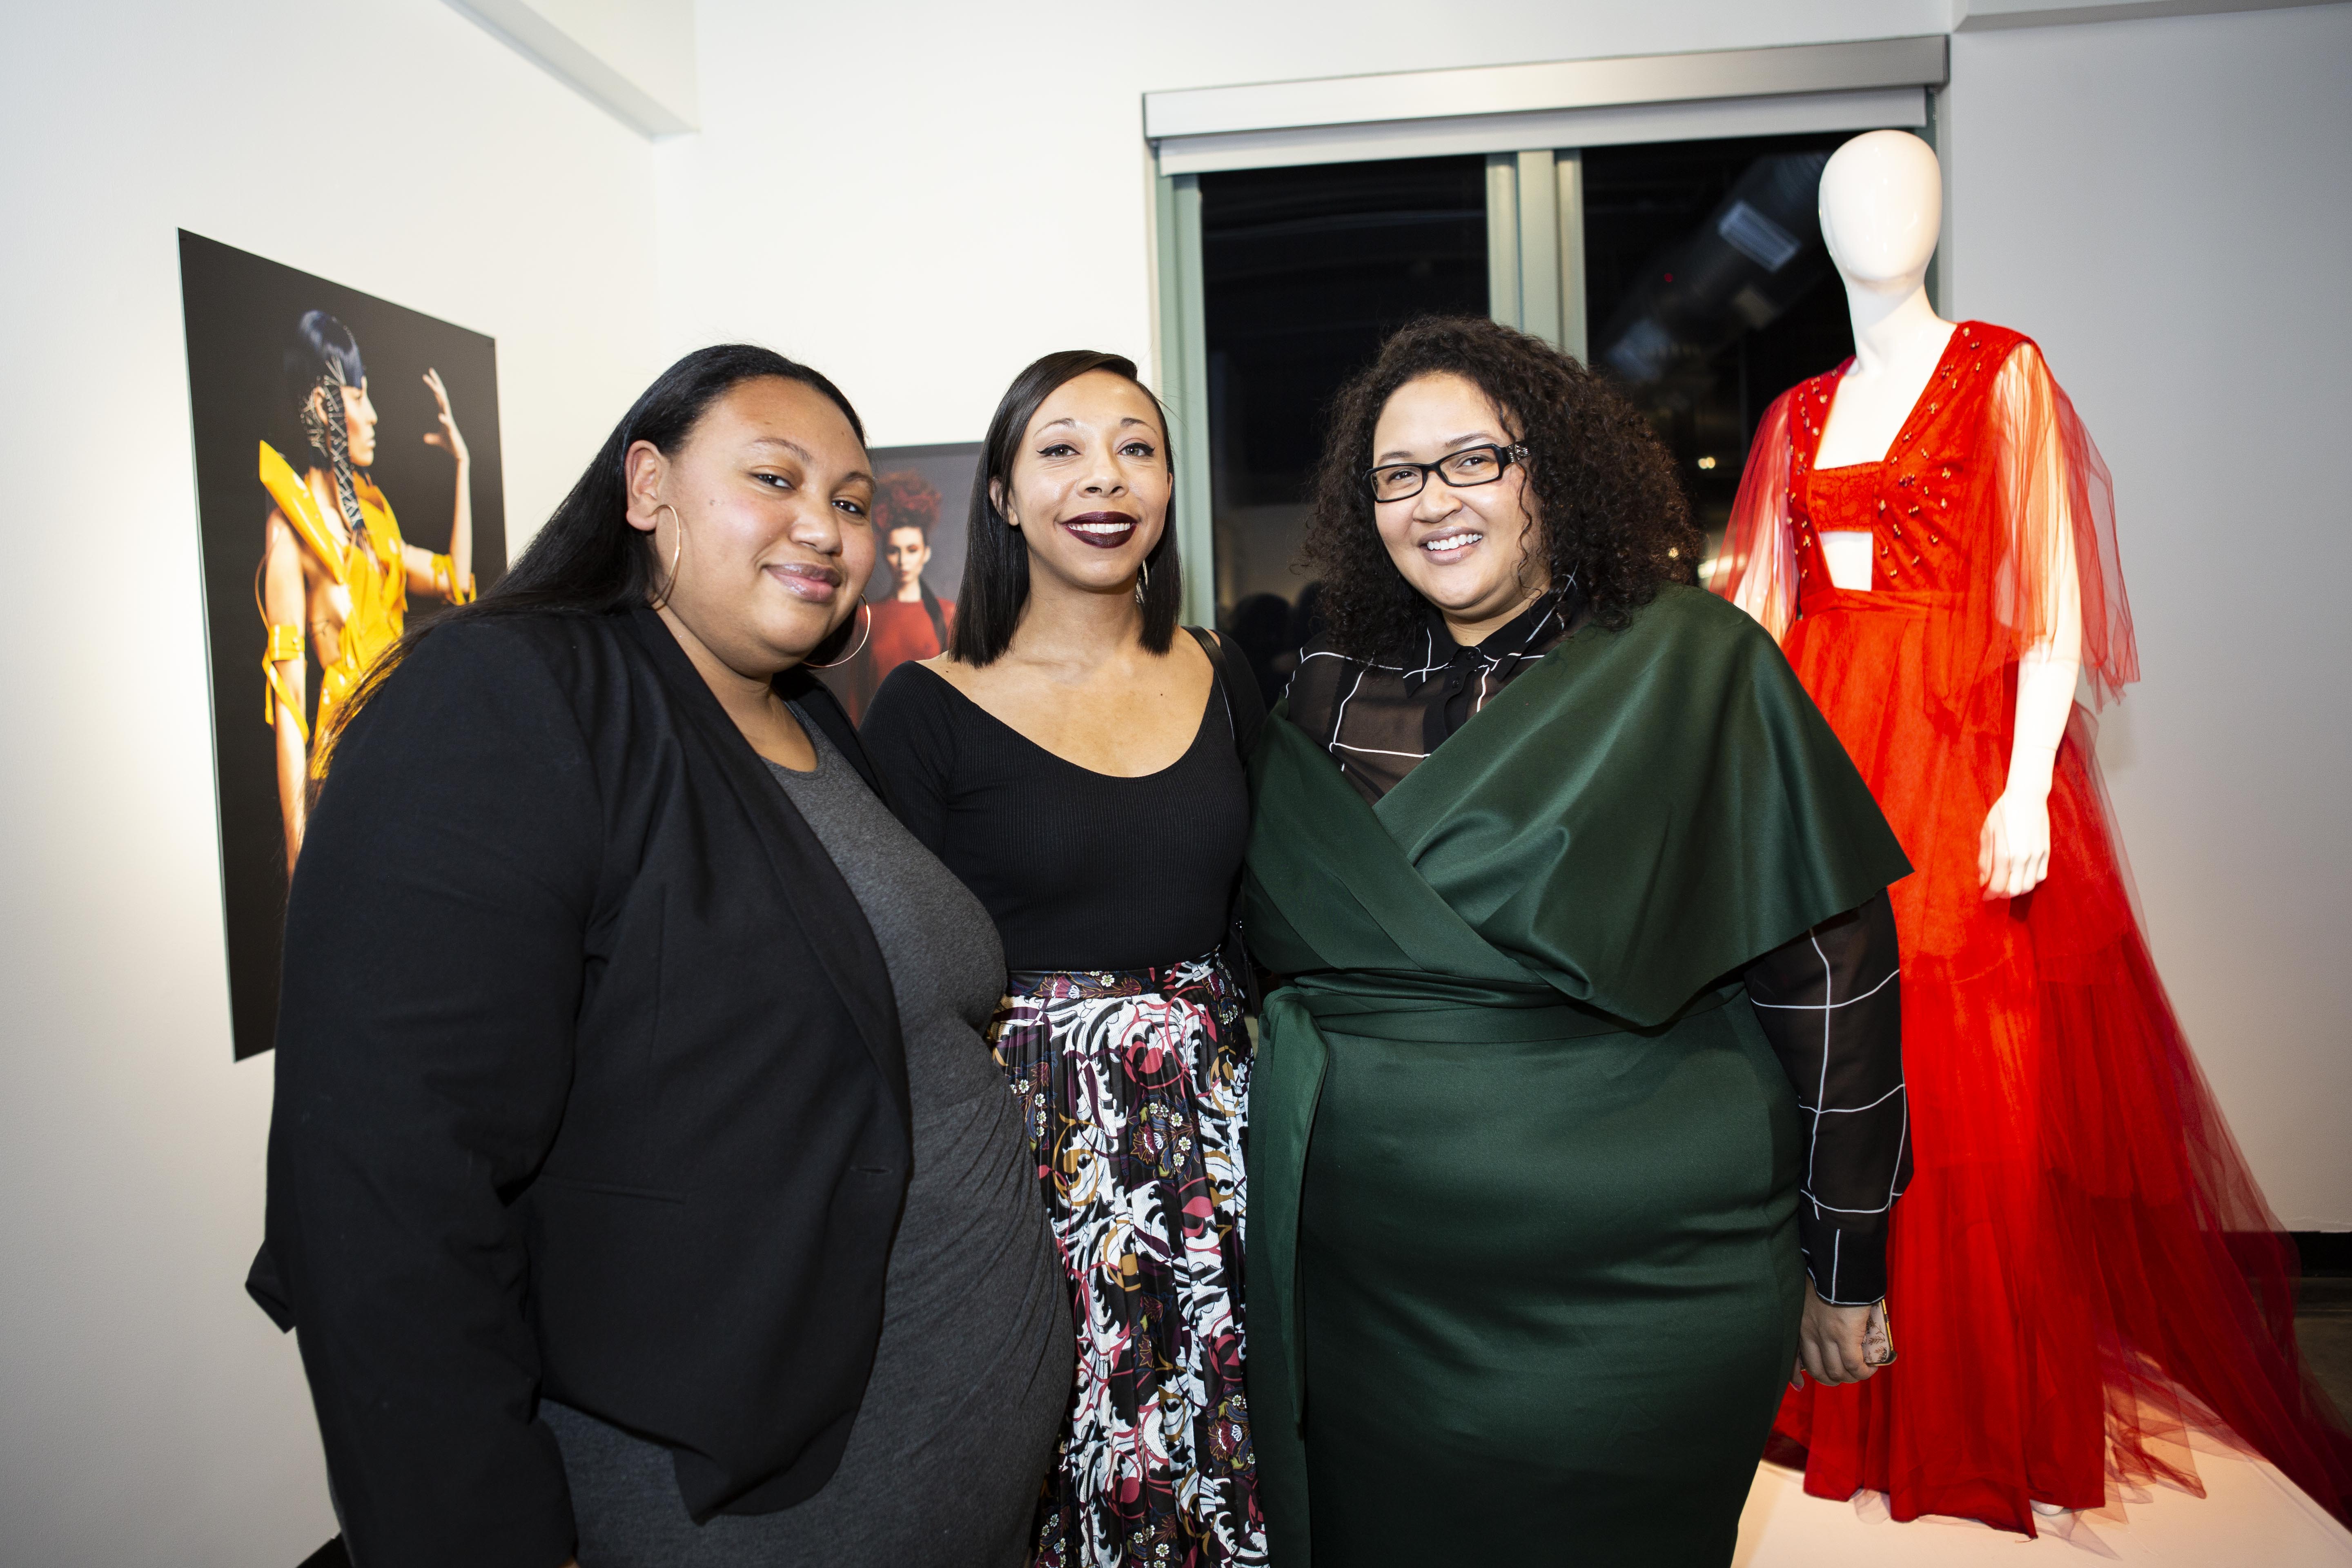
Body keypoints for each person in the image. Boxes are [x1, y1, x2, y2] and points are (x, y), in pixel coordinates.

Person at [247, 345, 1071, 1568]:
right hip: (748, 1515)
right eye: (775, 479)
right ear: (646, 487)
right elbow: (383, 1187)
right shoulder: (508, 696)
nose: (825, 527)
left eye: (851, 502)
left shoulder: (805, 716)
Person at [1715, 129, 2352, 1532]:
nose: (1877, 219)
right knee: (1824, 1051)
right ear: (1822, 231)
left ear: (1940, 213)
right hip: (1826, 749)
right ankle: (1840, 1379)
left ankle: (1966, 1400)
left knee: (1963, 1070)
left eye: (1902, 191)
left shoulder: (2002, 370)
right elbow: (1759, 615)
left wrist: (2021, 785)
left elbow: (2051, 591)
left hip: (1952, 750)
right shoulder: (1799, 416)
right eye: (1850, 199)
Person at [1240, 316, 1914, 1566]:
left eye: (1473, 460)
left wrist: (1847, 1260)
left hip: (1642, 1294)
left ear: (1549, 470)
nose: (1434, 501)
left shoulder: (1693, 665)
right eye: (1398, 474)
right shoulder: (1328, 683)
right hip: (1366, 1303)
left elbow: (1833, 981)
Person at [860, 350, 1267, 1568]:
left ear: (1169, 486)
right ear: (1001, 492)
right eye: (1062, 449)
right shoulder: (926, 706)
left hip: (1221, 1141)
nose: (1105, 478)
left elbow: (1270, 916)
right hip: (1031, 1155)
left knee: (1232, 1450)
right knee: (1059, 1468)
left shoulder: (1222, 670)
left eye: (1137, 448)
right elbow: (895, 982)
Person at [256, 309, 474, 871]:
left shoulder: (375, 525)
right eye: (357, 397)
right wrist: (298, 864)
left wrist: (464, 467)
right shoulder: (290, 531)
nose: (373, 415)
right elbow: (290, 707)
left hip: (408, 764)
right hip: (345, 785)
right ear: (321, 405)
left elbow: (455, 582)